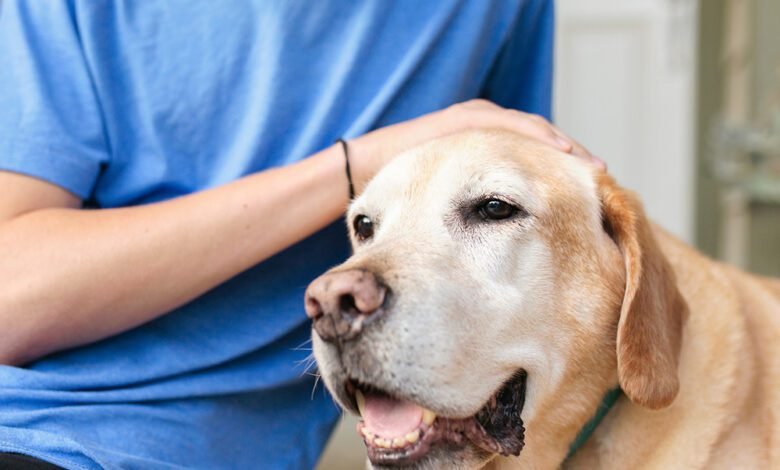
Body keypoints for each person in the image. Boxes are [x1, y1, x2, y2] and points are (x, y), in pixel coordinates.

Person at [0, 1, 598, 469]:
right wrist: (349, 166)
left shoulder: (497, 8)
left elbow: (531, 268)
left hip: (160, 444)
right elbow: (9, 301)